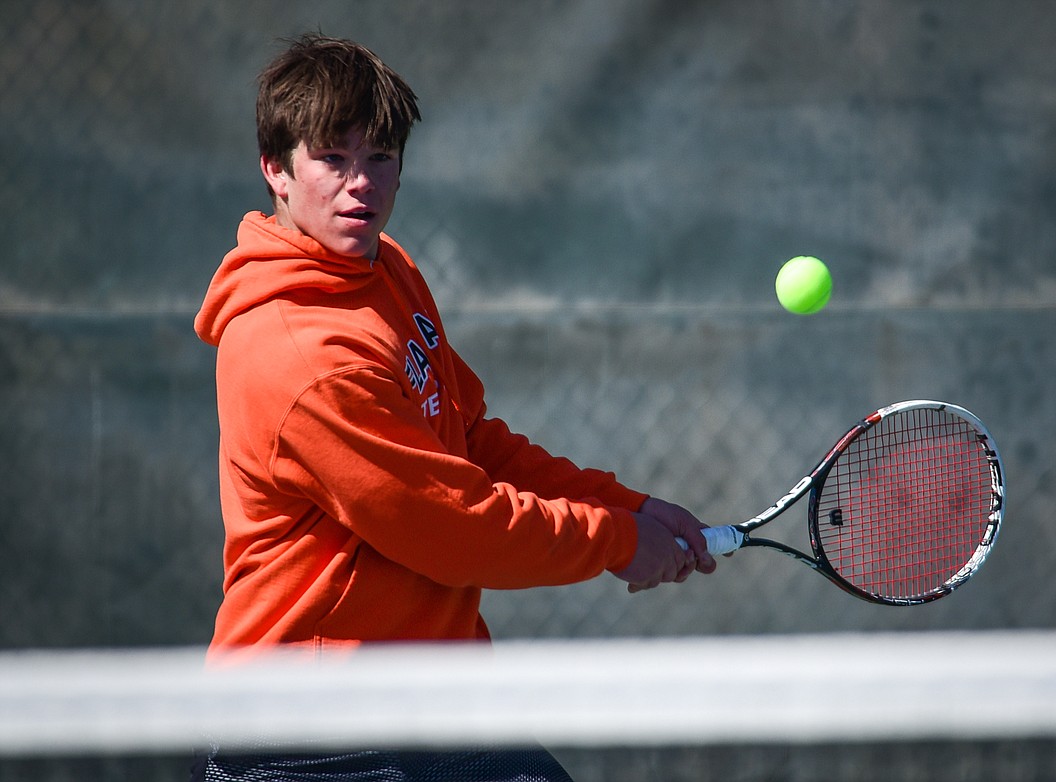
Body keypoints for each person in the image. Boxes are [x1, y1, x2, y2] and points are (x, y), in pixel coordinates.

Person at [192, 34, 715, 781]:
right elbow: (450, 524)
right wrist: (615, 540)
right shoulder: (300, 358)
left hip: (435, 695)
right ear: (275, 169)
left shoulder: (387, 268)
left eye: (378, 159)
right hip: (306, 730)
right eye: (332, 160)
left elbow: (468, 441)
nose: (359, 185)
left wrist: (629, 505)